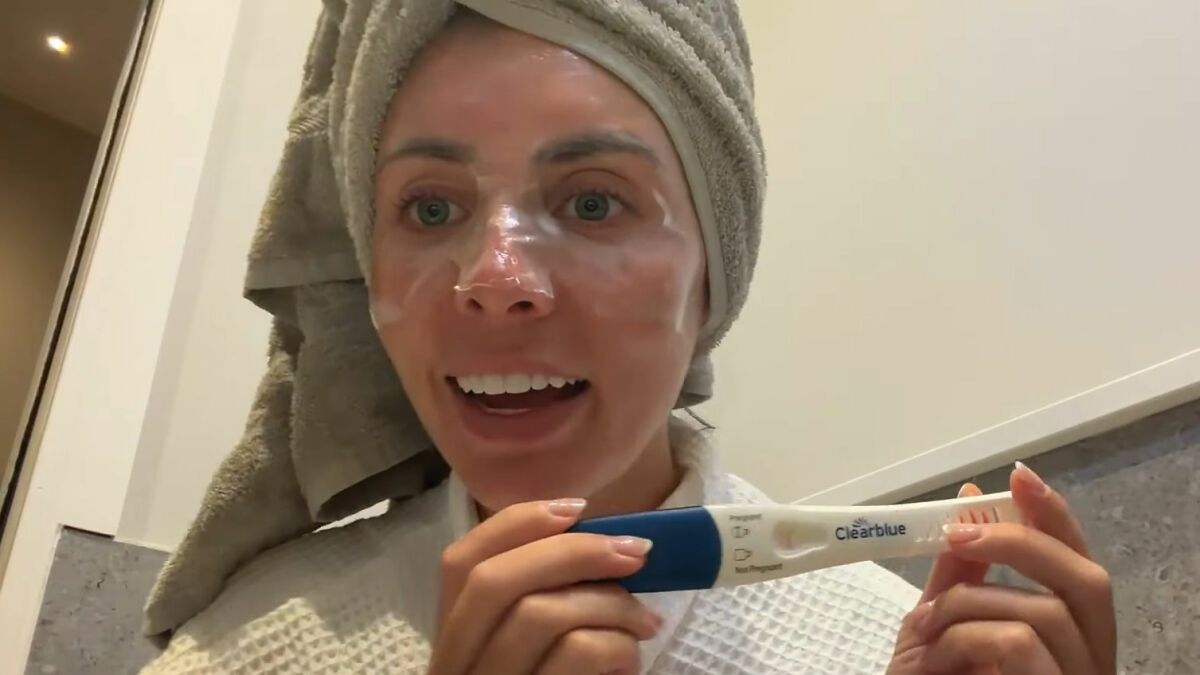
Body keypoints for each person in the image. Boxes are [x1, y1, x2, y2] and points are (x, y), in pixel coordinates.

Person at [143, 4, 1116, 674]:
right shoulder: (243, 653)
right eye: (430, 207)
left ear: (715, 275)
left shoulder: (891, 649)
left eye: (594, 201)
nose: (496, 282)